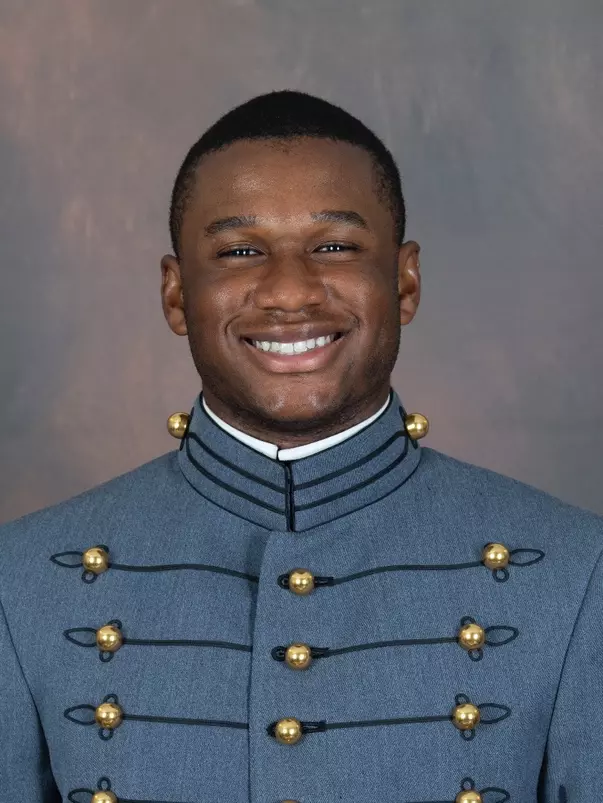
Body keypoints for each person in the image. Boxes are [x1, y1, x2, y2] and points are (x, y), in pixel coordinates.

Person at [0, 89, 601, 803]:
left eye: (335, 246)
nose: (289, 291)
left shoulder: (574, 573)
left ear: (404, 281)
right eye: (241, 250)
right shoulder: (21, 581)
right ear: (175, 294)